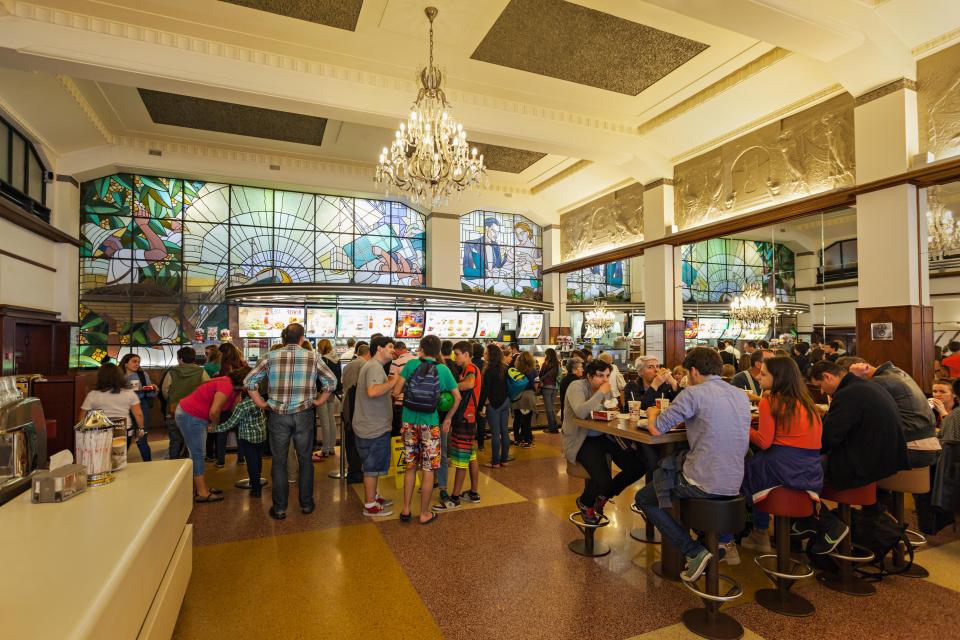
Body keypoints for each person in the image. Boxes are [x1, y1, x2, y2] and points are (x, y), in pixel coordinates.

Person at [634, 347, 751, 581]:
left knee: (645, 498)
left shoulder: (693, 394)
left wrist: (650, 411)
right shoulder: (740, 394)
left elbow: (657, 428)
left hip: (703, 481)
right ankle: (721, 542)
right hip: (735, 480)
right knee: (672, 472)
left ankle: (693, 551)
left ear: (694, 371)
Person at [741, 357, 847, 555]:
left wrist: (742, 425)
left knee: (745, 468)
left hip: (784, 466)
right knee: (754, 465)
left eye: (763, 374)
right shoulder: (807, 403)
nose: (758, 378)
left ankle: (758, 531)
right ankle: (803, 522)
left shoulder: (769, 400)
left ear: (778, 378)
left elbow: (764, 442)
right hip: (811, 469)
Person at [245, 323, 337, 521]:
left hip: (278, 415)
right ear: (302, 338)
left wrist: (261, 403)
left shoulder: (270, 357)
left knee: (279, 462)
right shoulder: (313, 357)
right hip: (304, 414)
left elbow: (249, 382)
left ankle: (279, 508)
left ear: (283, 339)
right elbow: (331, 381)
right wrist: (319, 400)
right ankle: (306, 504)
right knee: (305, 460)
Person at [562, 359, 647, 525]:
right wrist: (601, 393)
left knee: (637, 466)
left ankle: (603, 495)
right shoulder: (577, 387)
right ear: (589, 376)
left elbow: (607, 409)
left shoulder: (605, 389)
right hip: (582, 439)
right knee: (603, 479)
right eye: (600, 376)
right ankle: (585, 502)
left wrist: (611, 409)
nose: (605, 380)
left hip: (604, 436)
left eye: (607, 376)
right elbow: (581, 412)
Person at [809, 361, 908, 491]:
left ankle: (815, 509)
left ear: (827, 377)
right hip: (888, 456)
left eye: (820, 385)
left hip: (868, 462)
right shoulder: (866, 385)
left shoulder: (848, 393)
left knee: (803, 465)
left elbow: (829, 437)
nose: (822, 391)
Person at [393, 335, 460, 524]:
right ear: (438, 351)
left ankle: (405, 510)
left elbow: (396, 392)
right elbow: (457, 398)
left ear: (421, 349)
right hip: (430, 424)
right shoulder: (443, 370)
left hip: (408, 422)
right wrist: (447, 419)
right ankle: (424, 513)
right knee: (429, 469)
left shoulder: (411, 365)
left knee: (410, 466)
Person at [847, 360, 941, 469]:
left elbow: (855, 414)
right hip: (929, 447)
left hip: (912, 449)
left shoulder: (879, 382)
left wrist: (852, 380)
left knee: (849, 461)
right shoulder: (897, 372)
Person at [176, 366, 250, 502]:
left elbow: (234, 407)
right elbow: (214, 411)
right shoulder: (226, 385)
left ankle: (201, 487)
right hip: (191, 415)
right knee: (198, 454)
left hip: (195, 415)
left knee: (198, 453)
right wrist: (214, 426)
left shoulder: (236, 388)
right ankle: (202, 492)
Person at [434, 341, 482, 511]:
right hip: (469, 419)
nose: (455, 357)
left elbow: (469, 384)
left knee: (461, 460)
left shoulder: (471, 369)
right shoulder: (469, 369)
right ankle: (474, 493)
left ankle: (454, 498)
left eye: (458, 354)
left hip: (465, 419)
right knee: (470, 456)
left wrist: (450, 387)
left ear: (467, 354)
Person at [353, 336, 398, 517]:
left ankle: (374, 495)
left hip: (373, 424)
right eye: (390, 346)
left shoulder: (374, 366)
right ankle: (370, 504)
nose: (393, 350)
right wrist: (392, 382)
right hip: (373, 427)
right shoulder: (373, 366)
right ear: (379, 348)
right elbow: (372, 391)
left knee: (375, 465)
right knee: (371, 468)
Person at [80, 363, 145, 468]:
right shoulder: (129, 393)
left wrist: (83, 433)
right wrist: (141, 429)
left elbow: (82, 417)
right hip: (124, 430)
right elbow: (138, 414)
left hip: (100, 431)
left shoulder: (93, 395)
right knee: (119, 460)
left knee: (101, 460)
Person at [212, 383, 267, 497]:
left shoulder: (241, 406)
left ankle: (256, 490)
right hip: (261, 436)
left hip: (247, 439)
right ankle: (256, 482)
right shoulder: (260, 399)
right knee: (258, 460)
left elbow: (231, 423)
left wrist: (215, 428)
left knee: (251, 463)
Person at [160, 347, 209, 460]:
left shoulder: (172, 372)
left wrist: (173, 400)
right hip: (194, 411)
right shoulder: (201, 372)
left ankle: (173, 464)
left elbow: (165, 391)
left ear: (180, 359)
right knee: (192, 441)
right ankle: (191, 466)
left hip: (174, 409)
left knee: (175, 440)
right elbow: (207, 390)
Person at [341, 343, 372, 484]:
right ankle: (357, 472)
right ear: (368, 354)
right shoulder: (365, 366)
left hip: (346, 407)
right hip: (358, 408)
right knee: (359, 441)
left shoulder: (348, 365)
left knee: (349, 441)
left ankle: (352, 470)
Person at [479, 343, 511, 468]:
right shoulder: (505, 367)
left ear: (490, 355)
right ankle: (504, 460)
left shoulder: (488, 370)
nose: (484, 355)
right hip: (505, 401)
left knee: (495, 433)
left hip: (493, 403)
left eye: (486, 353)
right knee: (504, 431)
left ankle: (495, 461)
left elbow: (485, 390)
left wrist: (480, 406)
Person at [119, 353, 155, 462]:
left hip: (141, 404)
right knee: (124, 436)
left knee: (142, 435)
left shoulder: (143, 375)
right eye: (134, 361)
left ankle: (148, 462)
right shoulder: (118, 377)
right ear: (125, 364)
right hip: (123, 406)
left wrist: (151, 388)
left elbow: (151, 393)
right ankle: (119, 462)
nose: (137, 364)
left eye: (138, 362)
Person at [314, 339, 342, 460]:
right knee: (331, 420)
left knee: (324, 421)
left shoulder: (323, 360)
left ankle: (325, 449)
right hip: (333, 393)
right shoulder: (337, 360)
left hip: (322, 393)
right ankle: (331, 447)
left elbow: (318, 379)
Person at [510, 351, 539, 448]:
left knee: (517, 419)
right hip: (529, 397)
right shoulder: (534, 371)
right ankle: (527, 441)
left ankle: (518, 439)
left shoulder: (515, 371)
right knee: (527, 420)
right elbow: (536, 386)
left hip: (517, 397)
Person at [391, 341, 415, 438]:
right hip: (415, 402)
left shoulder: (396, 363)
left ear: (398, 350)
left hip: (400, 403)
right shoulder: (417, 360)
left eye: (394, 351)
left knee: (399, 431)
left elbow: (393, 384)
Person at [539, 348, 561, 433]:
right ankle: (554, 427)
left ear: (547, 355)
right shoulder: (557, 364)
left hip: (547, 387)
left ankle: (552, 428)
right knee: (551, 408)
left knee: (549, 409)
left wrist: (541, 378)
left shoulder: (545, 364)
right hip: (555, 387)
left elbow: (541, 374)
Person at [471, 342, 488, 449]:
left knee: (471, 420)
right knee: (481, 420)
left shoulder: (470, 364)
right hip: (483, 396)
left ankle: (470, 441)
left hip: (472, 396)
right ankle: (481, 444)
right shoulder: (485, 364)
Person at [559, 357, 584, 422]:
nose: (583, 370)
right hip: (572, 418)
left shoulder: (564, 379)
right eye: (581, 367)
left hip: (565, 415)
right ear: (574, 369)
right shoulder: (576, 382)